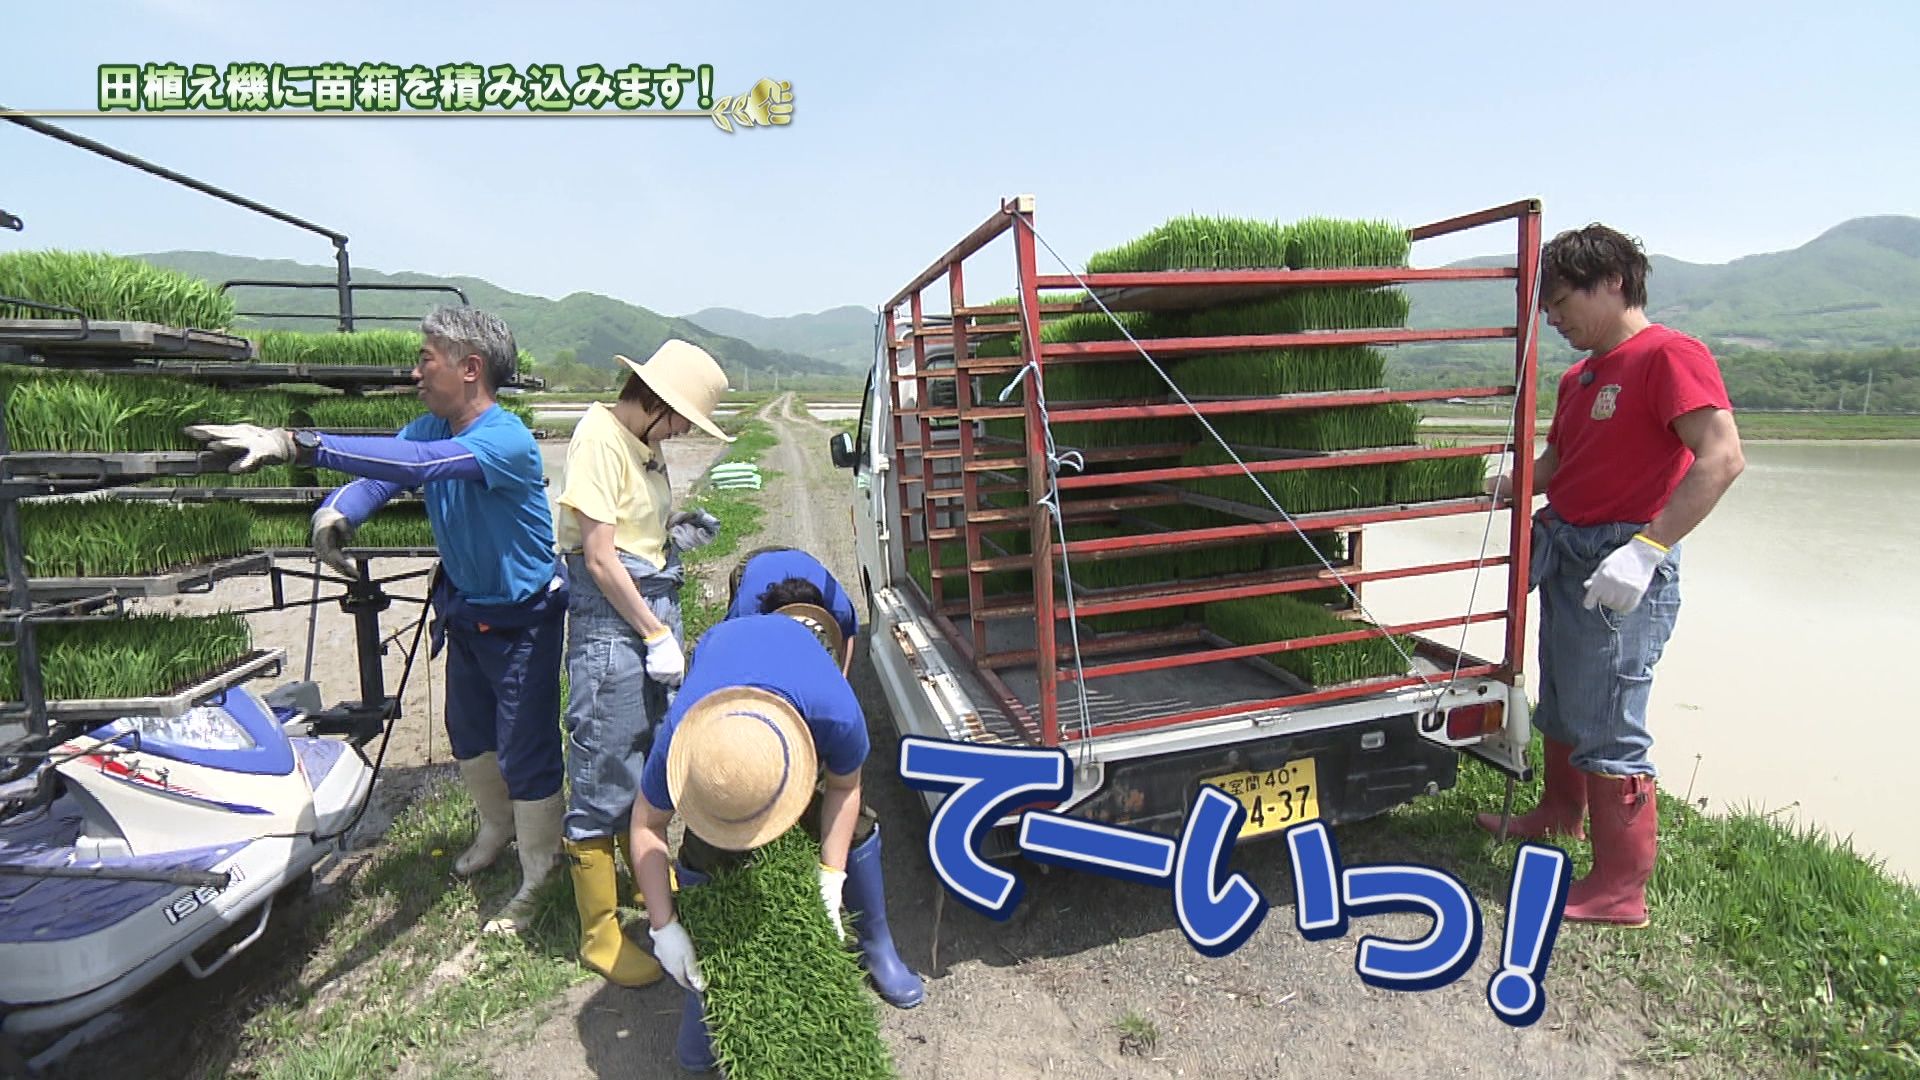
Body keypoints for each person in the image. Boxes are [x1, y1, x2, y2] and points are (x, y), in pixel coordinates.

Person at [186, 306, 570, 931]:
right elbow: (381, 474)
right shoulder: (428, 426)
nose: (415, 371)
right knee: (468, 734)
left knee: (525, 746)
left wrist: (295, 442)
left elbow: (416, 469)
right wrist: (338, 512)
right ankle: (496, 830)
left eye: (427, 359)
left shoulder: (505, 438)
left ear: (470, 369)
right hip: (465, 607)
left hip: (521, 620)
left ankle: (540, 869)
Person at [1477, 225, 1745, 927]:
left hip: (1624, 563)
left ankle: (1622, 886)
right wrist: (1512, 483)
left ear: (1613, 283)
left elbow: (1721, 458)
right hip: (1568, 553)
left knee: (1611, 719)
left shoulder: (1669, 355)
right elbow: (1559, 466)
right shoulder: (1579, 376)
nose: (1556, 319)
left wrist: (1648, 548)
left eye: (1564, 301)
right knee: (1563, 695)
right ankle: (1558, 812)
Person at [630, 615, 924, 1072]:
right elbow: (646, 827)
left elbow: (846, 790)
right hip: (726, 676)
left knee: (856, 828)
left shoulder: (836, 716)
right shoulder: (679, 745)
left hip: (794, 694)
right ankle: (702, 987)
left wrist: (831, 877)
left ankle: (877, 942)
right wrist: (663, 927)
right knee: (706, 864)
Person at [553, 340, 730, 987]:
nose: (683, 432)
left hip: (644, 612)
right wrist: (656, 632)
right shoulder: (599, 438)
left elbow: (630, 533)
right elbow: (599, 558)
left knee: (648, 755)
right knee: (605, 763)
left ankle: (644, 884)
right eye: (682, 418)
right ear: (655, 402)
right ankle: (600, 933)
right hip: (613, 629)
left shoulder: (643, 447)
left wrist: (673, 528)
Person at [725, 545, 860, 674]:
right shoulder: (745, 612)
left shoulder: (839, 607)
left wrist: (841, 678)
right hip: (754, 563)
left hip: (801, 559)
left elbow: (847, 637)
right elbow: (733, 651)